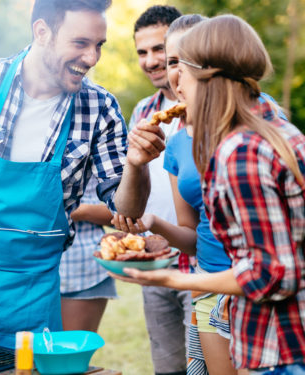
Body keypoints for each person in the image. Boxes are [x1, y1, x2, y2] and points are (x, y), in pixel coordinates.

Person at [112, 15, 305, 375]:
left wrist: (174, 279)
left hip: (281, 352)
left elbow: (272, 276)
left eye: (184, 74)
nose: (177, 88)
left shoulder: (241, 152)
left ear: (211, 77)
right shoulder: (282, 134)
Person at [0, 0, 159, 348]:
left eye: (98, 45)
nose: (92, 58)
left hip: (32, 297)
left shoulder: (100, 108)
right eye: (80, 43)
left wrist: (136, 164)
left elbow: (126, 209)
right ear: (42, 31)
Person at [127, 6, 192, 375]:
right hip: (157, 260)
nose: (151, 61)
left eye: (159, 50)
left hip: (203, 263)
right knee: (167, 367)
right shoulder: (143, 111)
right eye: (142, 52)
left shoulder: (207, 108)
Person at [59, 179, 115, 333]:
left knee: (71, 354)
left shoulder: (104, 155)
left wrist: (76, 210)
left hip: (81, 273)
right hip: (25, 270)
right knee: (25, 353)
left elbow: (126, 212)